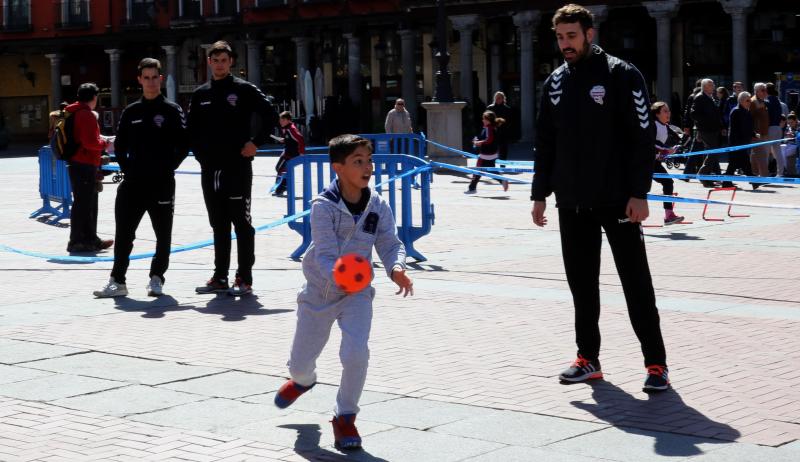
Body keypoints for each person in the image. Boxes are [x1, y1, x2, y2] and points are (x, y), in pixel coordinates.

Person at [531, 4, 669, 392]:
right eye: (560, 37)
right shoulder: (555, 82)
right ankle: (587, 358)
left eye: (571, 36)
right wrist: (540, 193)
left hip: (618, 200)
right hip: (572, 202)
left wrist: (639, 192)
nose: (565, 44)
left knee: (636, 283)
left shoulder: (622, 75)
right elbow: (545, 141)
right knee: (582, 285)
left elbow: (643, 138)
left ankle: (656, 364)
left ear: (590, 33)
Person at [273, 134, 413, 450]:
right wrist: (339, 275)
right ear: (338, 167)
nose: (368, 167)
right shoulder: (323, 206)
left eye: (369, 160)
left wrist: (396, 268)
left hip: (358, 292)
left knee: (355, 353)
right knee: (299, 364)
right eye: (358, 161)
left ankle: (345, 415)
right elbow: (323, 253)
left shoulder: (378, 205)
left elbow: (390, 244)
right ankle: (304, 381)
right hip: (320, 292)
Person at [188, 41, 279, 296]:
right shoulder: (201, 94)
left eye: (224, 60)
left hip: (237, 167)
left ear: (231, 62)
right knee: (218, 223)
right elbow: (191, 130)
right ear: (209, 62)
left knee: (241, 222)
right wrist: (201, 156)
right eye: (215, 60)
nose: (219, 64)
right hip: (211, 169)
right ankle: (220, 277)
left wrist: (256, 143)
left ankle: (244, 277)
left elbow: (270, 115)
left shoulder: (244, 89)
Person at [93, 58, 189, 298]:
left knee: (163, 234)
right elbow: (121, 144)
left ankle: (156, 278)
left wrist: (169, 168)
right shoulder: (131, 111)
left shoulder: (171, 109)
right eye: (146, 77)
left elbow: (183, 145)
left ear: (161, 78)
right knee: (124, 234)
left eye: (154, 77)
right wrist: (129, 169)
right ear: (139, 80)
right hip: (133, 184)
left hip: (162, 183)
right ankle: (118, 281)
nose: (150, 82)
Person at [66, 83, 114, 253]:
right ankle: (77, 241)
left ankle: (91, 239)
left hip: (81, 164)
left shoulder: (76, 112)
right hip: (84, 164)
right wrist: (105, 143)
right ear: (95, 98)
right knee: (83, 204)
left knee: (87, 203)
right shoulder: (85, 115)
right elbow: (90, 142)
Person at [651, 102, 685, 224]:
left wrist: (674, 147)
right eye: (665, 111)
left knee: (668, 182)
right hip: (643, 163)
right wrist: (665, 150)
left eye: (669, 110)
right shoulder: (652, 125)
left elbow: (677, 138)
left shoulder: (666, 126)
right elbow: (651, 142)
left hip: (654, 163)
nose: (668, 113)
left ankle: (669, 215)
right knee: (635, 188)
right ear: (657, 114)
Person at [466, 111, 508, 194]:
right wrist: (477, 140)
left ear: (488, 120)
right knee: (488, 170)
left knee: (478, 169)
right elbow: (485, 138)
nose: (482, 120)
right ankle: (472, 187)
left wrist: (479, 143)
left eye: (484, 119)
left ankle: (472, 187)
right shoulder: (490, 127)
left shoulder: (489, 127)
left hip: (486, 154)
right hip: (491, 153)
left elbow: (489, 140)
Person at [691, 78, 723, 187]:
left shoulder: (710, 97)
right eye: (711, 85)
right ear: (704, 87)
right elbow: (693, 114)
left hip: (713, 129)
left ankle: (706, 177)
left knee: (712, 153)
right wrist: (705, 122)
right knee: (713, 153)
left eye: (713, 84)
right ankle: (703, 174)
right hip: (706, 130)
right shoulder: (700, 97)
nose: (713, 86)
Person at [726, 91, 756, 188]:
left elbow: (748, 127)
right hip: (736, 142)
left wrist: (754, 134)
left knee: (741, 163)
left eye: (750, 100)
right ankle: (753, 181)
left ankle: (727, 183)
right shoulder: (736, 111)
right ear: (742, 101)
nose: (750, 102)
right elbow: (735, 129)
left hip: (743, 142)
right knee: (737, 163)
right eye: (748, 100)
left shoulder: (746, 111)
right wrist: (737, 143)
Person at [272, 111, 305, 196]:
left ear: (287, 120)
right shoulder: (286, 128)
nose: (280, 121)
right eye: (280, 120)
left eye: (282, 120)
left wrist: (301, 153)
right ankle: (281, 188)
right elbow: (289, 139)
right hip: (287, 151)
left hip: (292, 153)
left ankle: (280, 189)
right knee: (279, 168)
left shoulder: (291, 128)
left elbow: (300, 139)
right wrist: (282, 139)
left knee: (282, 169)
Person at [749, 83, 770, 178]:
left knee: (756, 154)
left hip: (764, 132)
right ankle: (761, 175)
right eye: (763, 90)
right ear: (756, 91)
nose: (765, 92)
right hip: (757, 133)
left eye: (765, 90)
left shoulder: (763, 101)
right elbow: (750, 118)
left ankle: (756, 173)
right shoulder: (753, 102)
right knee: (759, 154)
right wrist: (754, 132)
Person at [766, 83, 786, 176]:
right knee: (777, 152)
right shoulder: (777, 100)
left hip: (770, 128)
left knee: (766, 151)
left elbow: (768, 115)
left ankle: (764, 172)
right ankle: (780, 173)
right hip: (778, 128)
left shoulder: (768, 100)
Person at [486, 91, 512, 160]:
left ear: (503, 99)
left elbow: (510, 121)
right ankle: (491, 164)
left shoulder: (507, 109)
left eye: (499, 98)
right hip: (492, 132)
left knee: (503, 150)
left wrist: (503, 125)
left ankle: (503, 165)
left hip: (503, 132)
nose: (497, 99)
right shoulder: (490, 108)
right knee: (491, 149)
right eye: (496, 98)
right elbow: (486, 120)